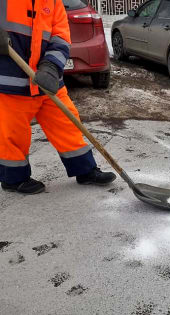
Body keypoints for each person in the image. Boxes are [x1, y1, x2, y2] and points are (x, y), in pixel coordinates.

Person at [0, 0, 116, 195]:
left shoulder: (53, 3)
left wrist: (52, 67)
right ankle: (13, 178)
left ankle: (85, 170)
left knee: (68, 124)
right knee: (12, 133)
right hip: (12, 81)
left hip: (47, 81)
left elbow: (61, 37)